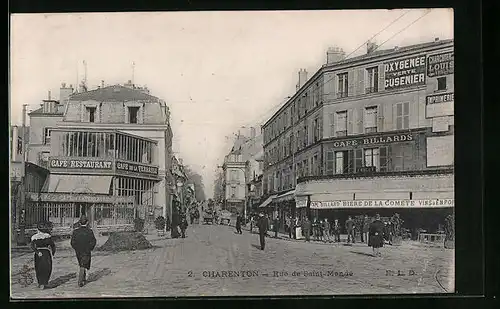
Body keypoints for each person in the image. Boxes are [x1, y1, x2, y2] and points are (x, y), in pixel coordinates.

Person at [70, 216, 97, 287]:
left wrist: (76, 248)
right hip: (86, 250)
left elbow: (72, 242)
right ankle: (80, 280)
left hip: (78, 251)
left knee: (82, 263)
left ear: (79, 223)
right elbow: (93, 241)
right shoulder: (89, 231)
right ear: (87, 222)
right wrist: (90, 248)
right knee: (83, 264)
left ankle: (83, 278)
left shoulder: (75, 231)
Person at [30, 222, 56, 289]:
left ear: (38, 229)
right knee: (47, 268)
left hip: (38, 254)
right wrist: (53, 253)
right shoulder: (47, 236)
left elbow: (32, 246)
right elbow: (53, 245)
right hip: (46, 253)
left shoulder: (34, 237)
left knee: (38, 268)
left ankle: (40, 282)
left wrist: (37, 252)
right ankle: (44, 282)